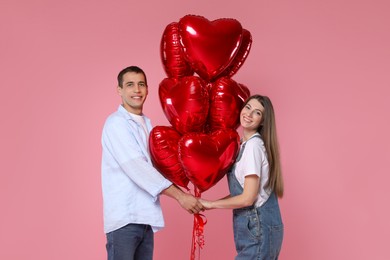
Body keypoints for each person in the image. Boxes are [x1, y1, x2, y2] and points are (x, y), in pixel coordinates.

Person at [101, 66, 203, 260]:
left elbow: (161, 165)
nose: (136, 90)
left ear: (147, 89)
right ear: (119, 90)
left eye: (141, 85)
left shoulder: (148, 125)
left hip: (145, 218)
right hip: (125, 219)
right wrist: (181, 197)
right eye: (130, 85)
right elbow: (138, 167)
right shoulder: (116, 124)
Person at [200, 94, 284, 260]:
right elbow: (244, 193)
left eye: (257, 113)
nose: (249, 114)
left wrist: (211, 204)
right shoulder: (244, 145)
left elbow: (247, 199)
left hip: (258, 229)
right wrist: (209, 205)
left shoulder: (253, 146)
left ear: (263, 121)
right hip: (256, 229)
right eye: (248, 107)